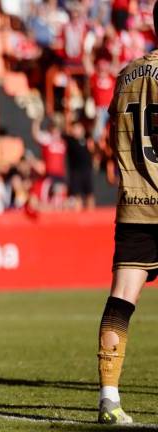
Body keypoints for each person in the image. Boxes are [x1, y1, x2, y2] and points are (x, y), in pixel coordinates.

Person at [96, 2, 158, 424]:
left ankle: (109, 399)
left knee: (121, 300)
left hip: (134, 202)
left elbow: (109, 134)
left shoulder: (125, 76)